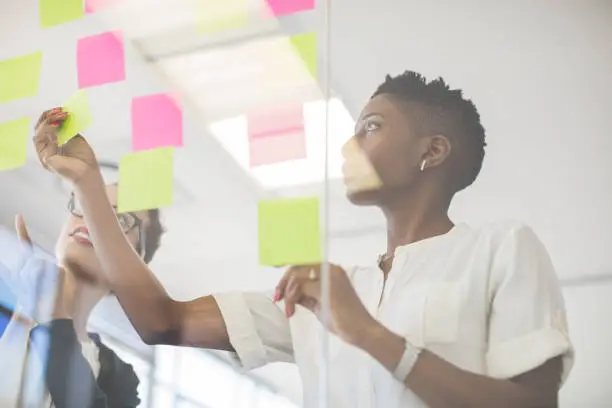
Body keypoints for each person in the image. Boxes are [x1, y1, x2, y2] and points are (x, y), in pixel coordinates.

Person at [32, 71, 573, 408]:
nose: (348, 145)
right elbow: (161, 321)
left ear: (430, 152)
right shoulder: (323, 296)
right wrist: (88, 187)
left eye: (371, 127)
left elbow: (531, 403)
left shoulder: (500, 249)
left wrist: (366, 332)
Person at [0, 178, 164, 408]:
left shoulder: (117, 377)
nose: (92, 219)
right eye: (86, 205)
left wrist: (55, 318)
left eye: (120, 220)